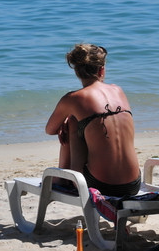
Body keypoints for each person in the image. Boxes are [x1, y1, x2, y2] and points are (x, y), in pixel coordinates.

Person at [45, 43, 141, 197]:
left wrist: (67, 120)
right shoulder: (118, 90)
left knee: (72, 121)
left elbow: (49, 129)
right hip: (133, 184)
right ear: (101, 70)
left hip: (99, 186)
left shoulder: (73, 98)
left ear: (77, 71)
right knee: (83, 121)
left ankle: (62, 178)